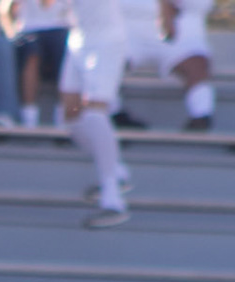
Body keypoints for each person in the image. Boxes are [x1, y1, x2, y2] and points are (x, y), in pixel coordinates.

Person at [59, 0, 129, 227]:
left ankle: (113, 201)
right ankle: (116, 171)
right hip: (78, 41)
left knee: (94, 113)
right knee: (70, 117)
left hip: (106, 42)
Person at [121, 0, 212, 130]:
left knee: (196, 64)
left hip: (181, 29)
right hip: (129, 30)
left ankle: (200, 117)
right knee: (107, 60)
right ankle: (114, 114)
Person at [1, 0, 67, 127]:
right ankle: (29, 117)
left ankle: (62, 117)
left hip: (60, 30)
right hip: (29, 30)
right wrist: (11, 34)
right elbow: (5, 9)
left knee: (65, 55)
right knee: (32, 55)